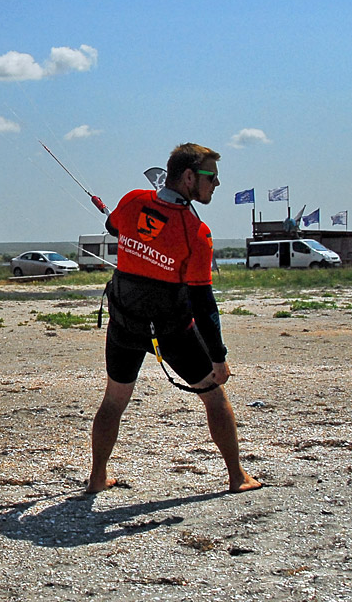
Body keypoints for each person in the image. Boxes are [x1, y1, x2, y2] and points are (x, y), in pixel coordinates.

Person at [86, 143, 261, 495]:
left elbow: (113, 224)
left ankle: (96, 478)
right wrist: (218, 357)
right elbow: (202, 301)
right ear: (188, 177)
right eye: (212, 176)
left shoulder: (134, 200)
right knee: (215, 397)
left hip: (126, 326)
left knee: (113, 402)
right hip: (171, 331)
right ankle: (237, 476)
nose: (217, 183)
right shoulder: (196, 232)